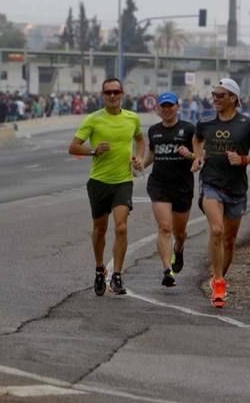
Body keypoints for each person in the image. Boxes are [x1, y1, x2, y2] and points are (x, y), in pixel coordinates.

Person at [191, 78, 250, 308]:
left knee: (229, 240)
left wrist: (243, 159)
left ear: (233, 98)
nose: (215, 99)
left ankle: (219, 278)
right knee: (216, 230)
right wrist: (198, 156)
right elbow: (197, 139)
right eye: (213, 95)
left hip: (236, 188)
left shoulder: (248, 125)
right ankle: (218, 282)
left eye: (220, 95)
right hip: (211, 183)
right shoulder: (205, 123)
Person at [68, 77, 145, 296]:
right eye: (108, 92)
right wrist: (93, 151)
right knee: (100, 229)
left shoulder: (132, 118)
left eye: (116, 92)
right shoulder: (93, 119)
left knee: (121, 227)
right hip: (99, 182)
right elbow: (73, 147)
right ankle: (100, 268)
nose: (112, 96)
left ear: (122, 94)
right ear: (102, 95)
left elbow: (141, 140)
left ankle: (118, 275)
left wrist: (139, 157)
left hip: (123, 181)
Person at [139, 92, 195, 288]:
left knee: (180, 233)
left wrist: (190, 154)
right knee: (164, 227)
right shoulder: (154, 131)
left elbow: (199, 157)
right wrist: (139, 165)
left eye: (170, 106)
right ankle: (167, 270)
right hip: (159, 184)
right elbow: (151, 156)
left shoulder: (188, 129)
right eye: (164, 106)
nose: (167, 109)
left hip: (182, 186)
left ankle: (178, 249)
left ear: (177, 107)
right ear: (159, 109)